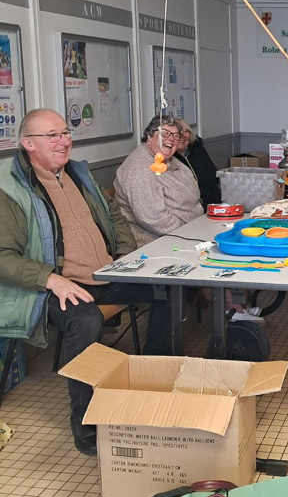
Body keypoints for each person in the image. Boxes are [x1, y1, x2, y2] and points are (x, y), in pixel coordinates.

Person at [0, 108, 171, 455]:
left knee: (165, 287)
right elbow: (3, 255)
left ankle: (156, 382)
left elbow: (113, 216)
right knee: (86, 319)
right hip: (48, 284)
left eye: (65, 132)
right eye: (53, 136)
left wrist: (125, 260)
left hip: (103, 274)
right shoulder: (9, 188)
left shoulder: (78, 173)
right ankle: (87, 426)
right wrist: (51, 280)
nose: (64, 141)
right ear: (27, 144)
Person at [114, 115, 203, 246]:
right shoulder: (139, 167)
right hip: (156, 243)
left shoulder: (171, 161)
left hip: (190, 234)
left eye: (175, 135)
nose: (171, 139)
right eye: (165, 133)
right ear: (149, 137)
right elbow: (153, 218)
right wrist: (188, 232)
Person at [174, 119, 221, 209]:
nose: (183, 136)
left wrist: (214, 205)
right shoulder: (169, 159)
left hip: (210, 205)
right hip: (189, 209)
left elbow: (214, 176)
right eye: (178, 133)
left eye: (186, 131)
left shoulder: (198, 150)